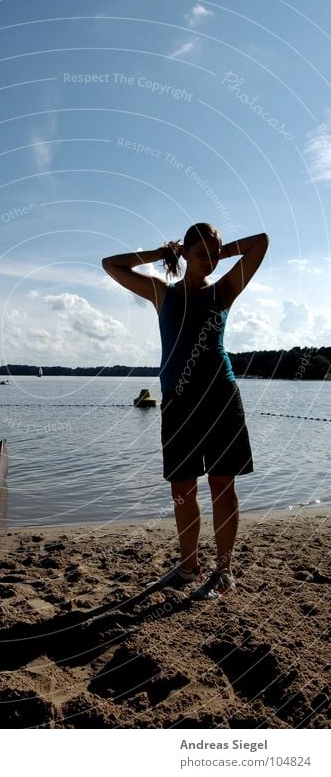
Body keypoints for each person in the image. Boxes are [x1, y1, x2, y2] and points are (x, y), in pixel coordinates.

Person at [102, 223, 269, 599]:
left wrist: (216, 252)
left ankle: (223, 572)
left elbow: (261, 243)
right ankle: (189, 566)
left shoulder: (224, 289)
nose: (209, 261)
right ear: (185, 251)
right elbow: (111, 264)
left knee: (222, 484)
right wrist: (163, 255)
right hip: (179, 400)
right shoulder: (162, 293)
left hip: (221, 397)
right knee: (183, 487)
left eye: (215, 254)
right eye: (201, 253)